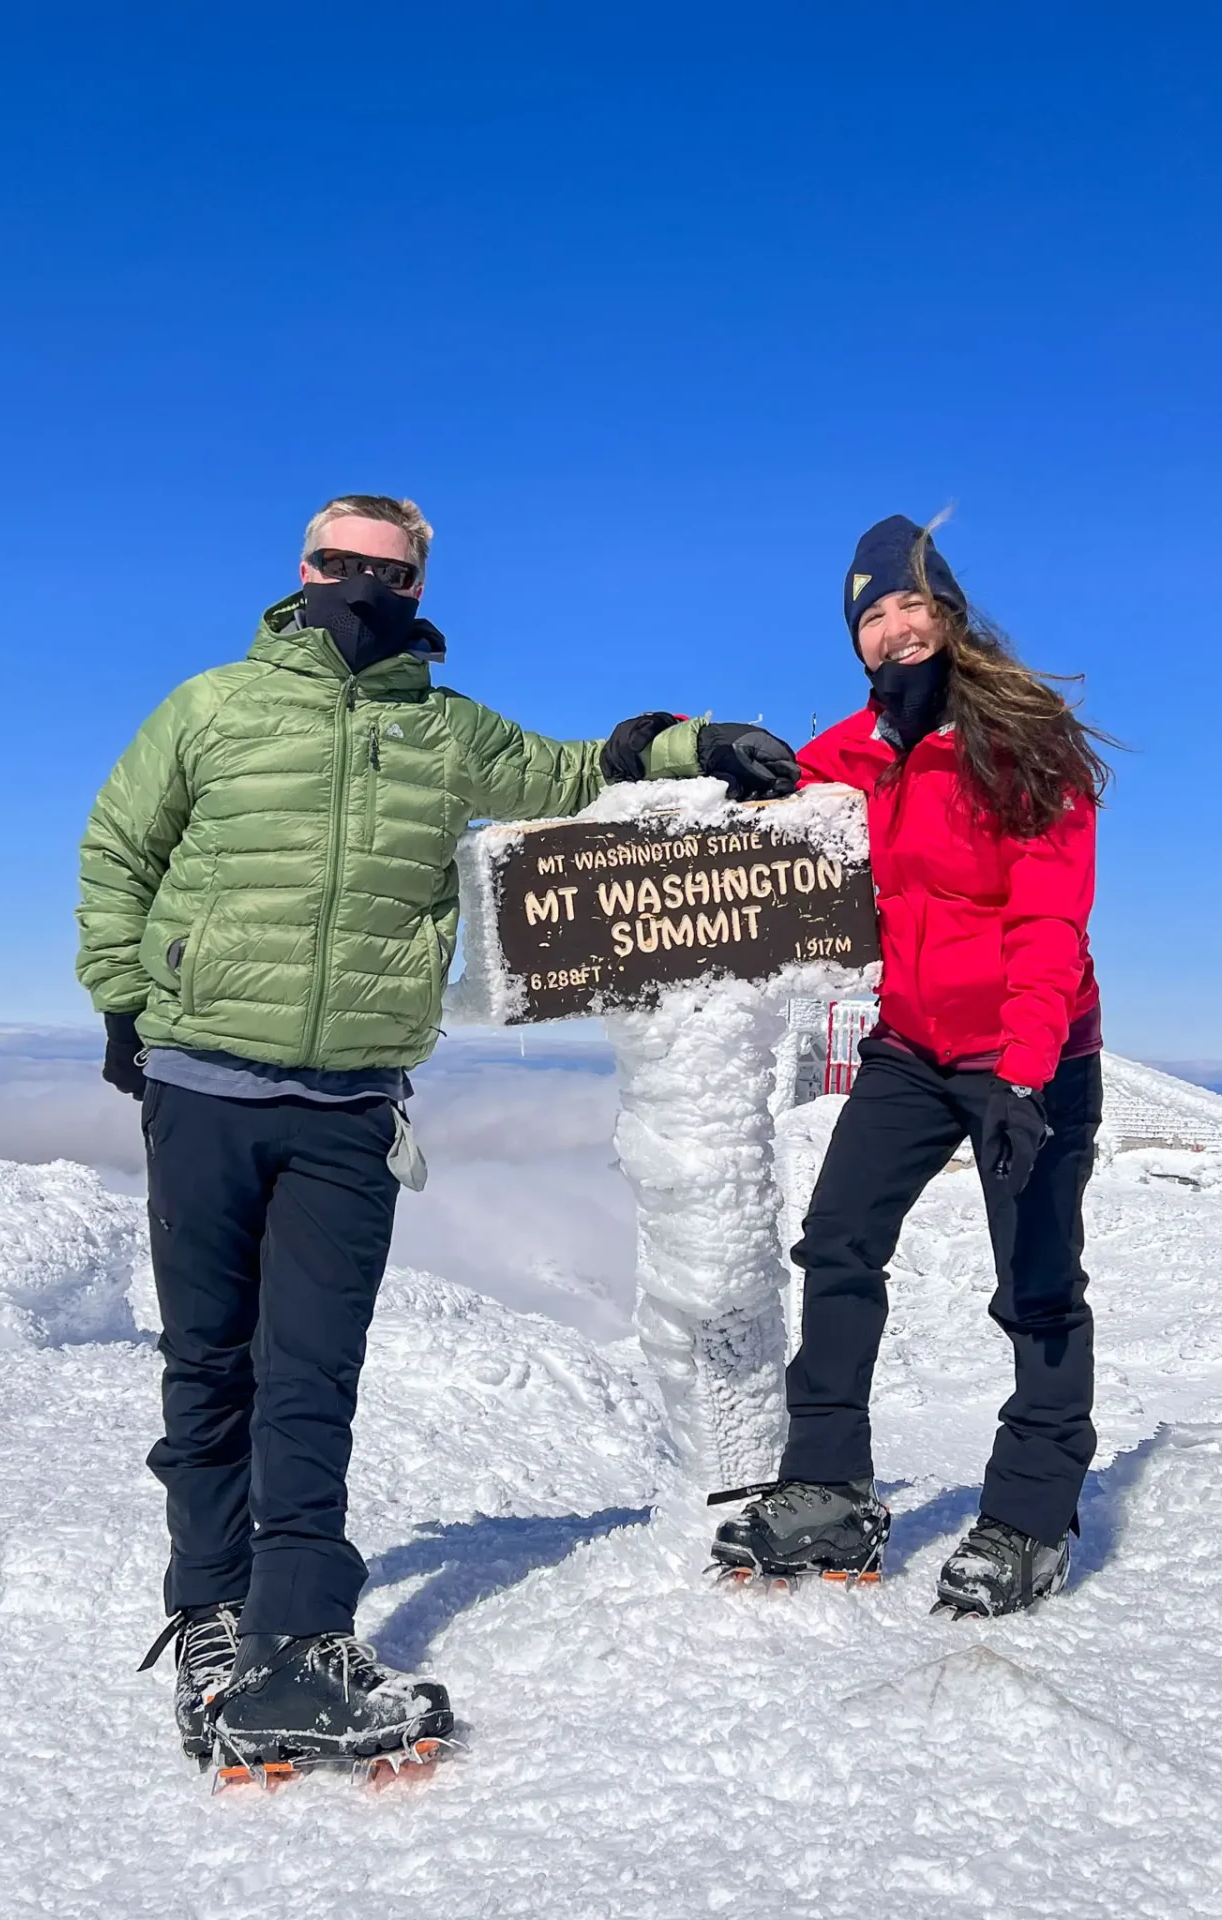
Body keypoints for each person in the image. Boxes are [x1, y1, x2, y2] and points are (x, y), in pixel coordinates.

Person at [77, 492, 798, 1774]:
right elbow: (120, 851)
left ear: (418, 586)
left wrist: (699, 742)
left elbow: (582, 768)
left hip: (352, 1106)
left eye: (386, 569)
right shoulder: (211, 708)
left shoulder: (445, 730)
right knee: (210, 1366)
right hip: (201, 1085)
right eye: (334, 563)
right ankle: (207, 1613)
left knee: (311, 1375)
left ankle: (301, 1638)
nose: (357, 584)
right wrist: (127, 1007)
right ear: (298, 571)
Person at [710, 513, 1112, 1618]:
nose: (893, 629)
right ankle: (830, 1489)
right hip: (914, 1045)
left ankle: (1032, 1510)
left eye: (909, 605)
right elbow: (756, 801)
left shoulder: (1027, 744)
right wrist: (693, 744)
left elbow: (1046, 920)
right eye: (871, 615)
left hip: (1030, 1052)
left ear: (950, 614)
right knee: (838, 1241)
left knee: (1035, 1281)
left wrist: (1025, 1073)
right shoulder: (855, 753)